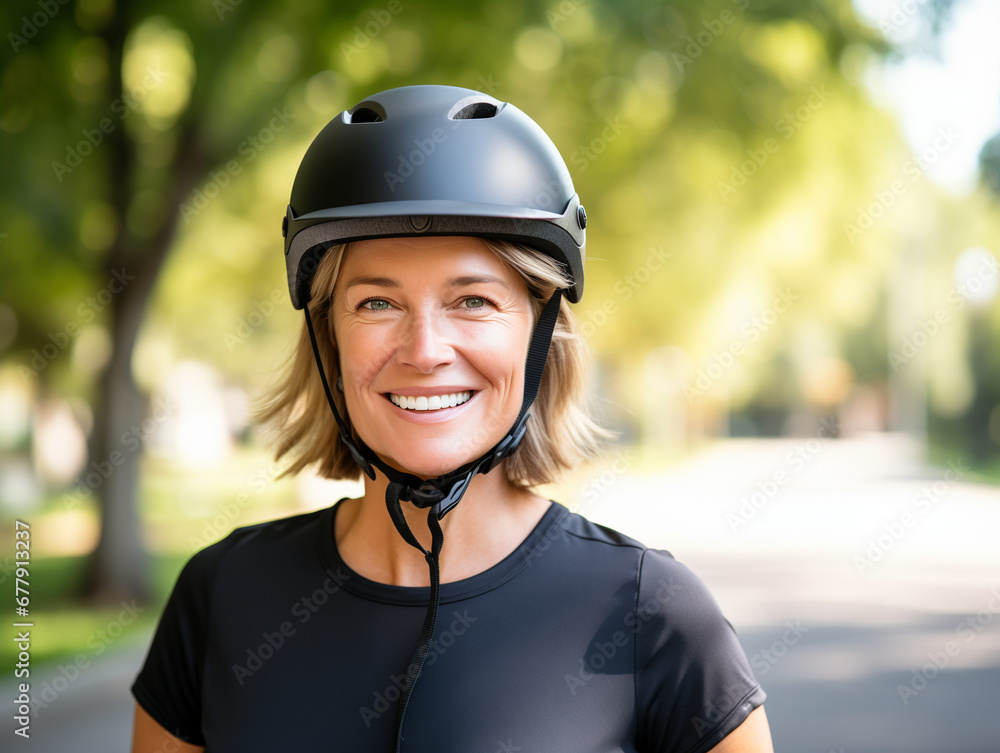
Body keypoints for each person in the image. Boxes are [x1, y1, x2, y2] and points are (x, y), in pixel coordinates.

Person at [130, 84, 773, 753]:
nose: (425, 350)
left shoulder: (652, 615)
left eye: (471, 300)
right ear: (327, 339)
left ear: (539, 330)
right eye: (377, 303)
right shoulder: (223, 596)